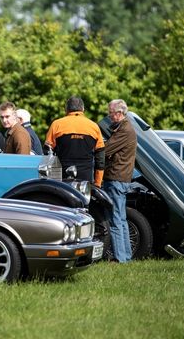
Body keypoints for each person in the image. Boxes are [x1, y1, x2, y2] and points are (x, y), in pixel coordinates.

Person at [101, 99, 137, 263]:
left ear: (119, 113)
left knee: (116, 220)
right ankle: (126, 256)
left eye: (110, 113)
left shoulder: (125, 129)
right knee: (121, 220)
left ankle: (120, 258)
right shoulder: (125, 127)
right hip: (121, 178)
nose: (109, 116)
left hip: (116, 178)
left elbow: (107, 149)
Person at [44, 96, 105, 184]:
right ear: (83, 109)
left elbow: (48, 152)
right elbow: (100, 158)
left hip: (63, 176)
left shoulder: (56, 124)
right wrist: (98, 183)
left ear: (66, 109)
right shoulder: (94, 126)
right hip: (86, 177)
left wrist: (51, 179)